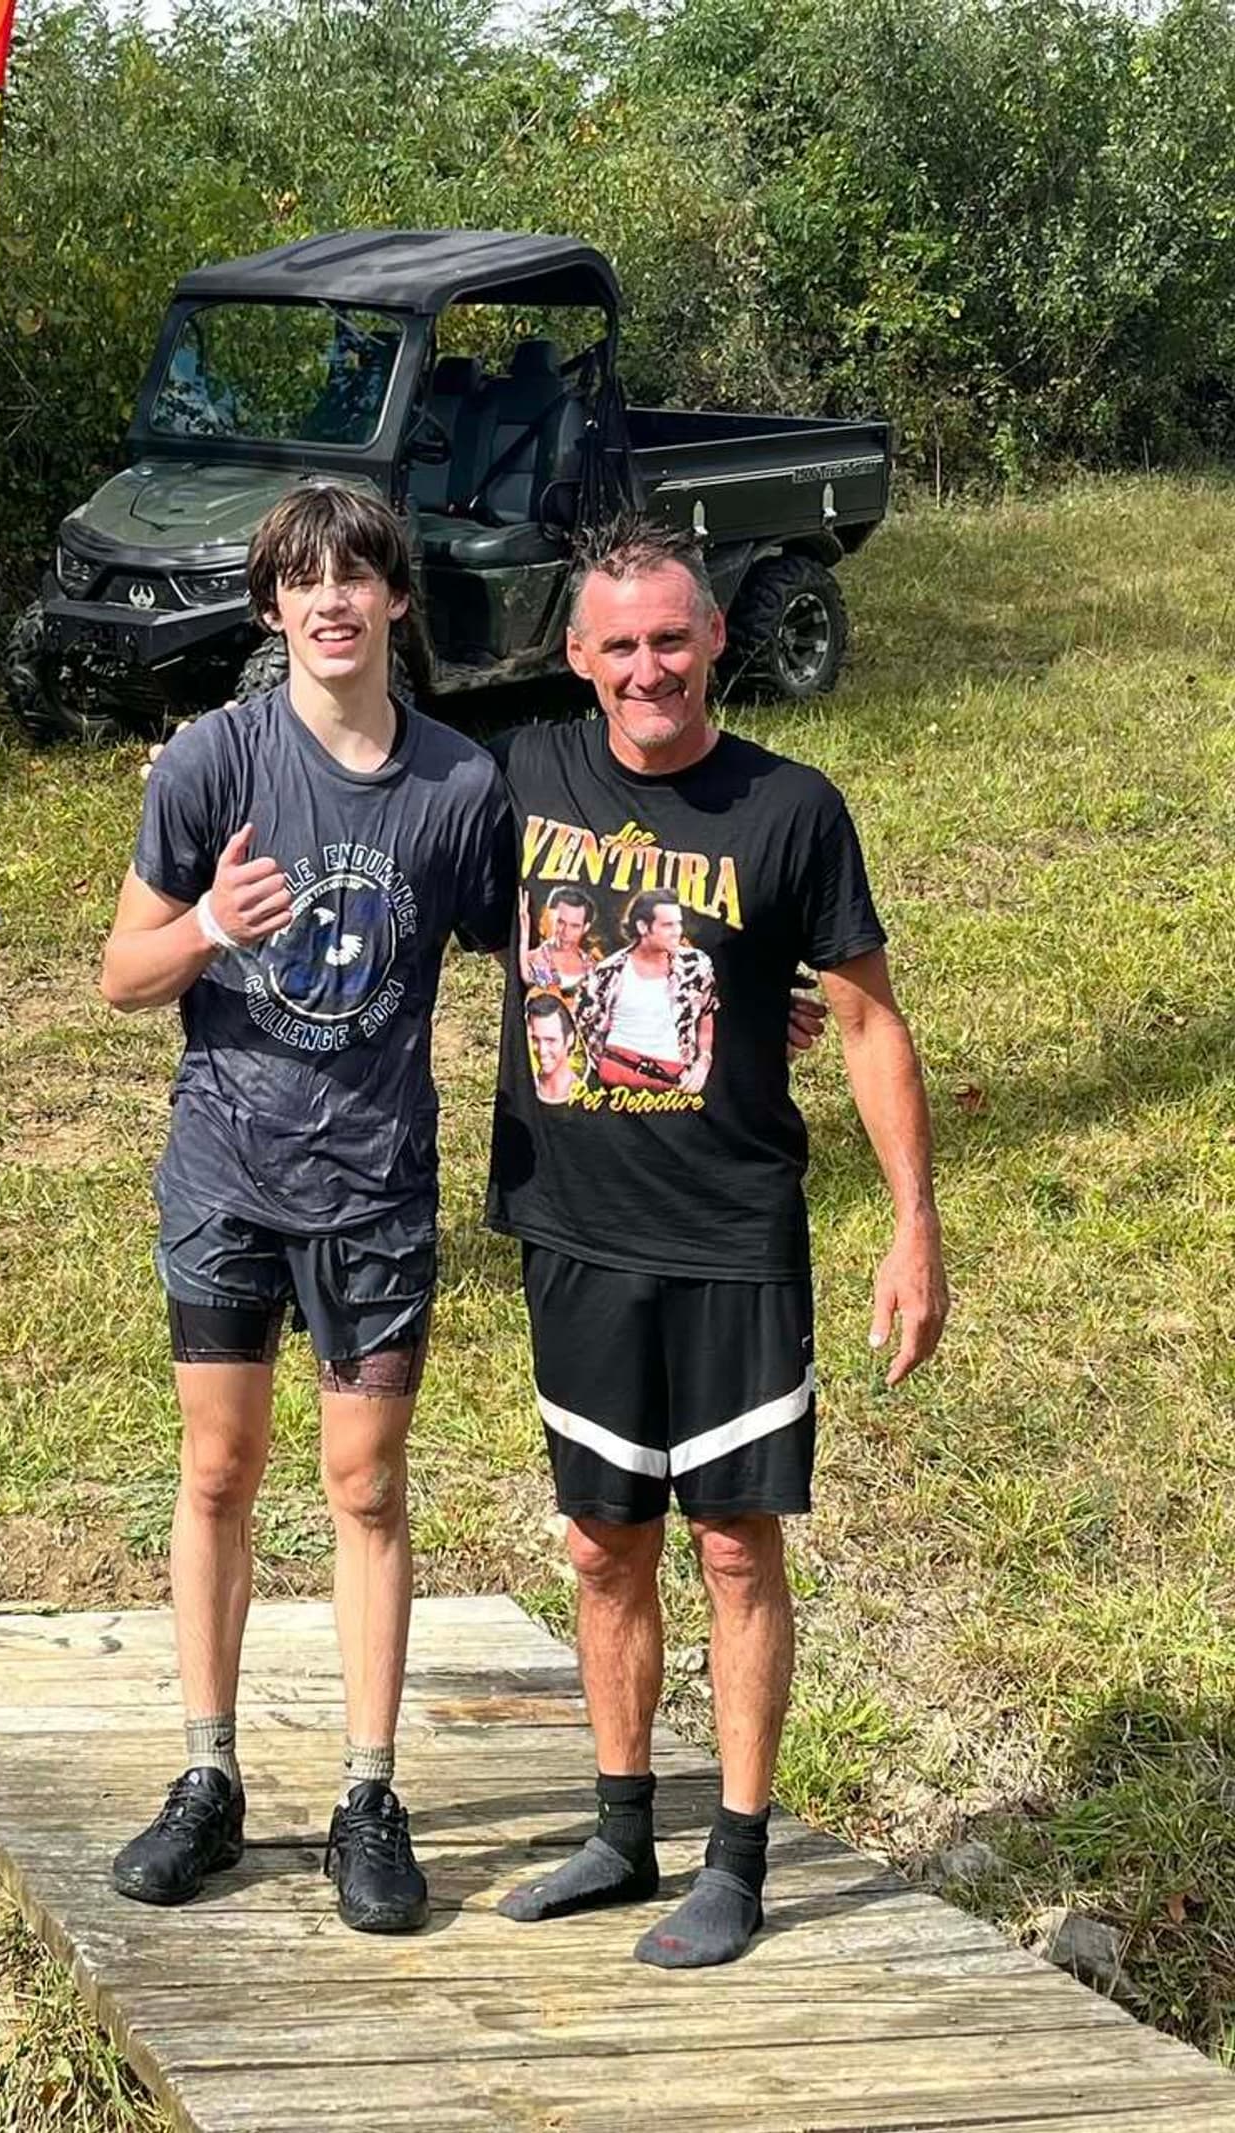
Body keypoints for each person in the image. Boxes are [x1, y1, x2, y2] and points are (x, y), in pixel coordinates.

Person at [488, 519, 948, 1967]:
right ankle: (621, 1833)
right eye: (618, 645)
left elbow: (867, 1022)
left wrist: (913, 1226)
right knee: (599, 1542)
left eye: (672, 639)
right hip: (574, 1234)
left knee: (735, 1548)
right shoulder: (516, 779)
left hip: (737, 1236)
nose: (649, 669)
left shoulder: (794, 809)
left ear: (717, 643)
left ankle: (735, 1857)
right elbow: (370, 823)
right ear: (576, 658)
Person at [99, 484, 512, 1934]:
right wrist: (210, 926)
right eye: (303, 580)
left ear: (398, 600)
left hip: (376, 1187)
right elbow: (120, 974)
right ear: (274, 606)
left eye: (358, 577)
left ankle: (367, 1791)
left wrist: (713, 981)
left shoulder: (462, 787)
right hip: (226, 1175)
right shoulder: (213, 763)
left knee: (365, 1488)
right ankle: (208, 1774)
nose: (331, 600)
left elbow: (547, 949)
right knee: (218, 1473)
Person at [575, 888, 716, 1094]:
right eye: (668, 925)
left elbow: (706, 1013)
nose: (677, 931)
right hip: (616, 1075)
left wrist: (704, 1060)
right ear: (643, 927)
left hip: (675, 1081)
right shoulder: (609, 971)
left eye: (678, 923)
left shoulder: (697, 965)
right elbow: (584, 1028)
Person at [520, 883, 596, 993]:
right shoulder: (532, 959)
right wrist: (524, 939)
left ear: (585, 927)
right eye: (560, 922)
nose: (565, 932)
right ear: (550, 918)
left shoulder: (592, 969)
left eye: (574, 926)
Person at [525, 990, 582, 1105]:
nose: (542, 1051)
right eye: (535, 1040)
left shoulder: (584, 1095)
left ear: (570, 1039)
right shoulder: (524, 1088)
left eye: (550, 1041)